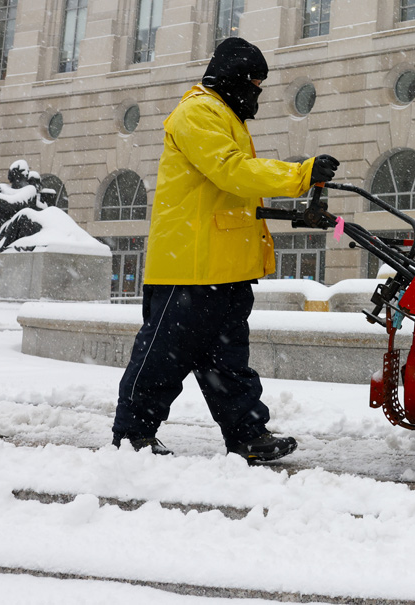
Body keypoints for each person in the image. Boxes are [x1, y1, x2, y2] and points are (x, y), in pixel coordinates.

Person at [111, 37, 340, 463]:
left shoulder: (224, 116)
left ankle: (246, 436)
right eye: (254, 82)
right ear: (234, 78)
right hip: (190, 268)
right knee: (161, 358)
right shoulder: (197, 112)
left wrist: (294, 204)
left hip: (224, 269)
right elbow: (231, 172)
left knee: (229, 363)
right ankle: (132, 436)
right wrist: (300, 174)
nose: (257, 92)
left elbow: (233, 196)